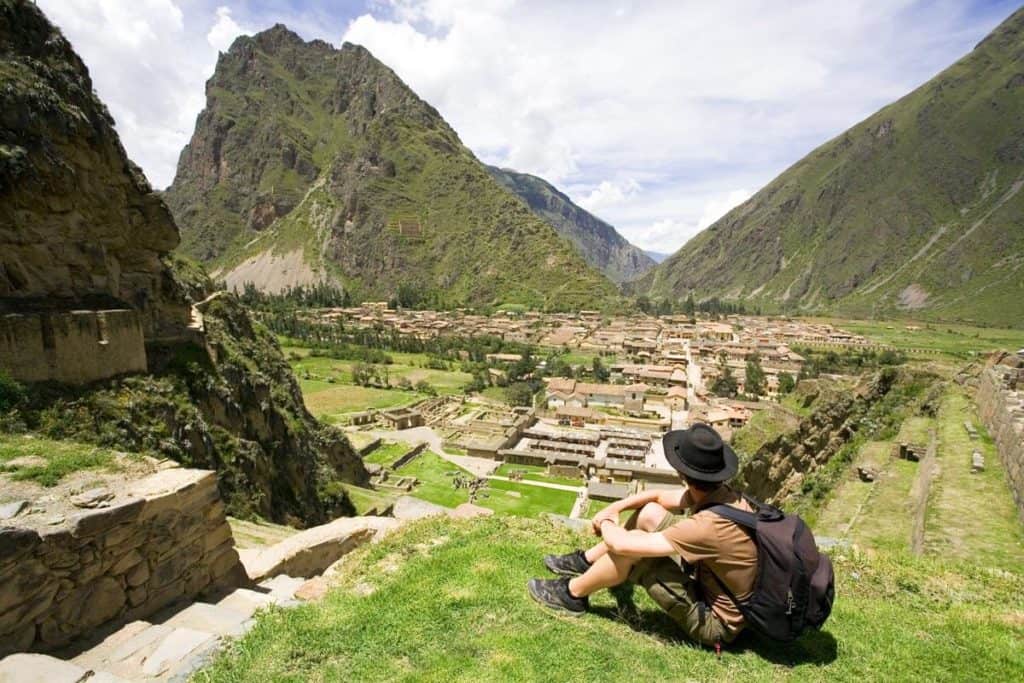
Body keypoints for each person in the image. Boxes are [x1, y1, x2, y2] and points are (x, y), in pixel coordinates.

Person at [527, 423, 758, 647]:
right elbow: (657, 497)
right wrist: (614, 508)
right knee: (649, 514)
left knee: (633, 548)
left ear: (683, 474)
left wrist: (606, 522)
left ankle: (571, 594)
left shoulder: (707, 527)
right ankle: (587, 562)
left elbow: (622, 545)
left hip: (715, 624)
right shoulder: (722, 495)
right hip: (709, 579)